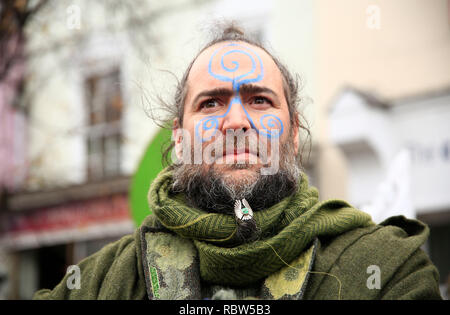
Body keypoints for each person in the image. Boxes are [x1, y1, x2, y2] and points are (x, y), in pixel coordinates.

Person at [33, 24, 442, 300]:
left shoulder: (386, 267)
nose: (235, 122)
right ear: (179, 137)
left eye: (259, 100)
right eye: (210, 103)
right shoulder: (101, 282)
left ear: (293, 130)